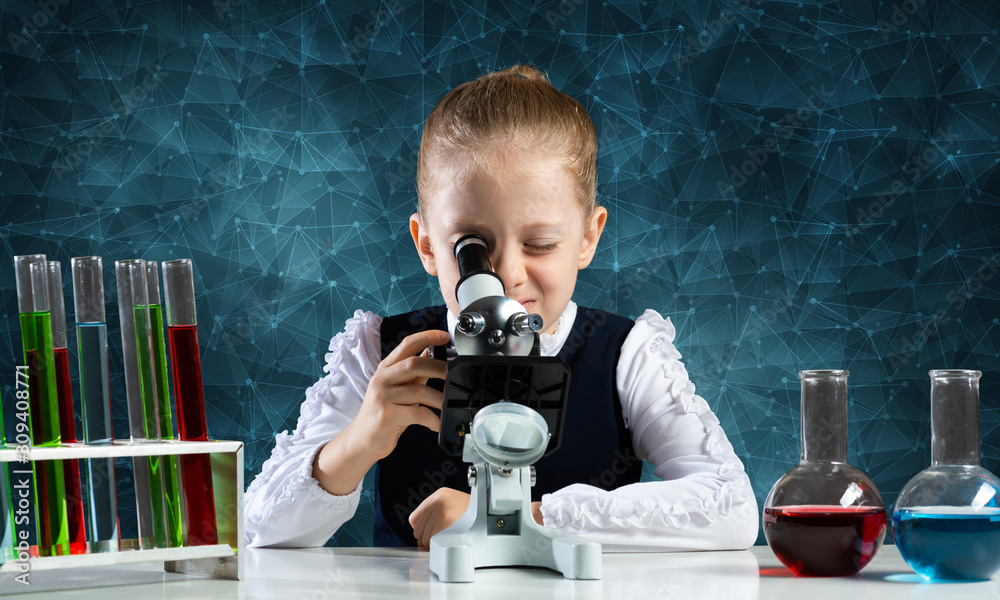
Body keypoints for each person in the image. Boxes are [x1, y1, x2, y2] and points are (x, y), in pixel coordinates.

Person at [244, 65, 758, 551]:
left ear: (588, 237)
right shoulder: (382, 353)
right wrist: (359, 441)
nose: (507, 274)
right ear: (427, 245)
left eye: (540, 245)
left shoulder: (625, 356)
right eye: (473, 246)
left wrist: (509, 521)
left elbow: (730, 509)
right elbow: (262, 531)